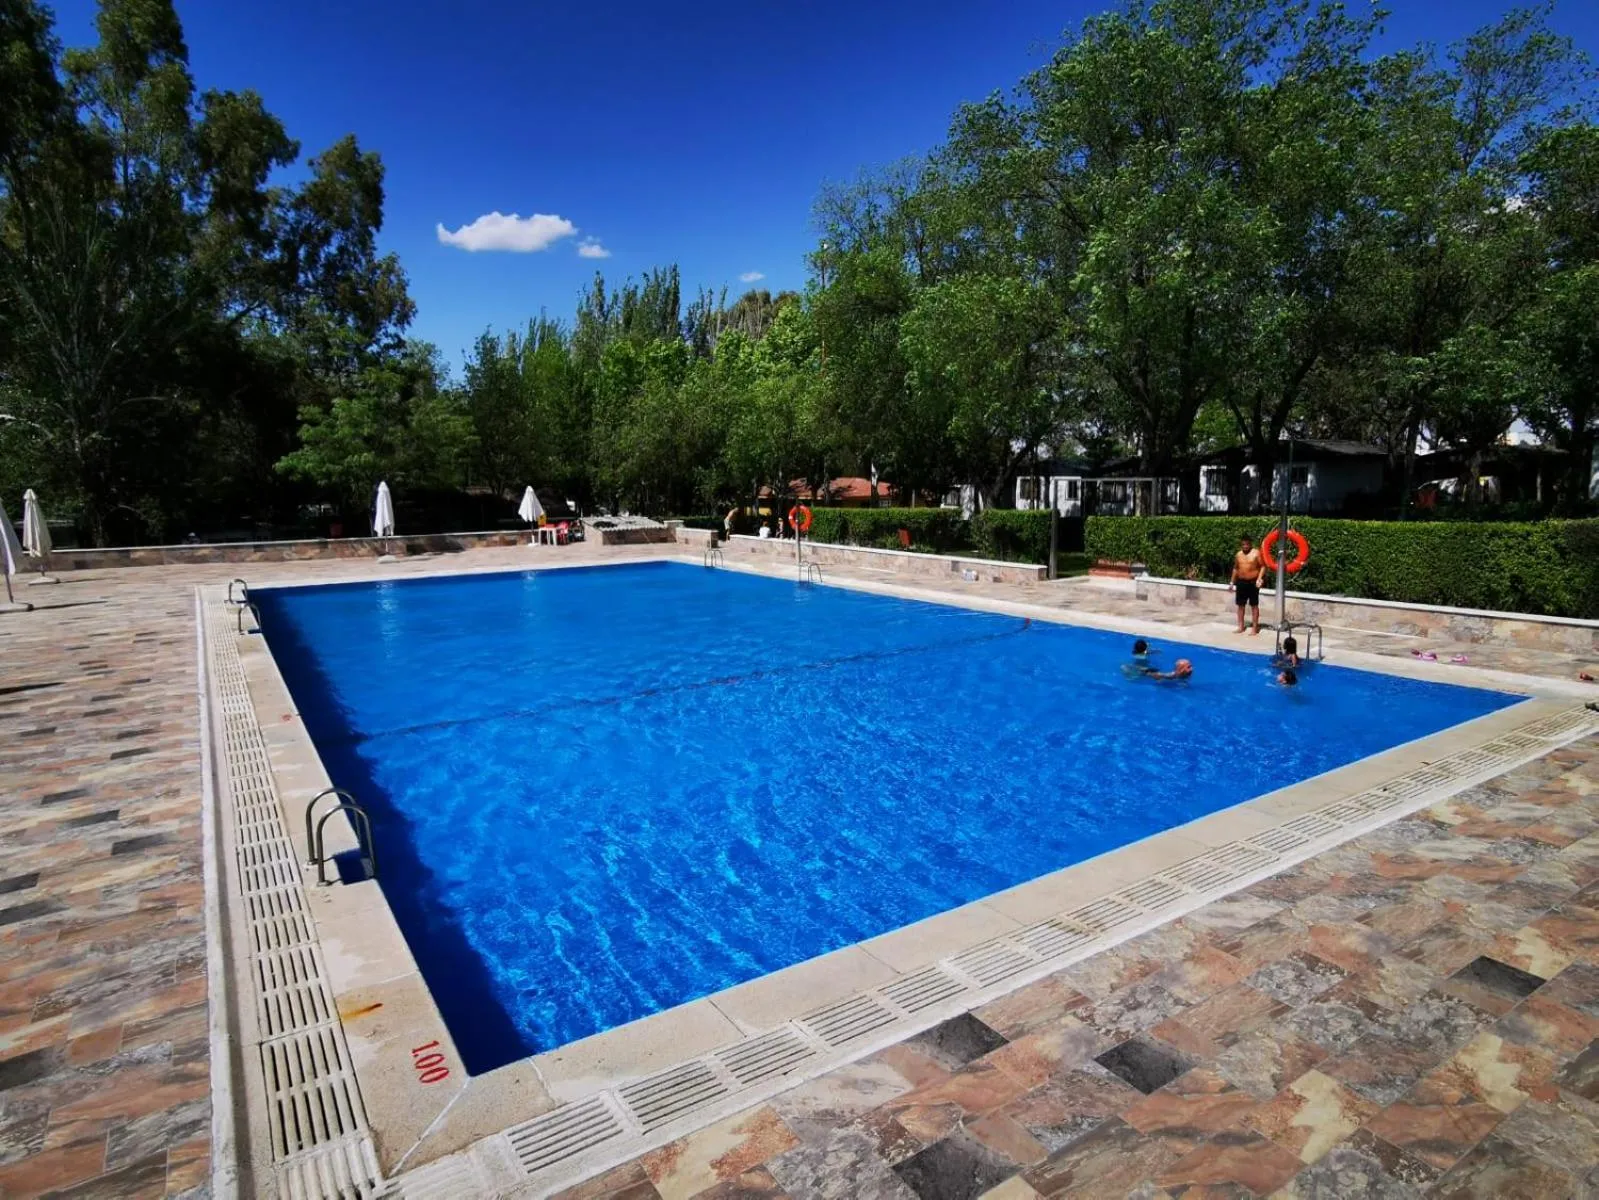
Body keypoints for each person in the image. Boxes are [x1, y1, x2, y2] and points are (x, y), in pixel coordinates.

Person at [1230, 535, 1265, 636]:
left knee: (1254, 605)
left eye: (1247, 544)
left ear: (1250, 544)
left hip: (1253, 582)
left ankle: (1255, 628)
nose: (1245, 546)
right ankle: (1240, 627)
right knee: (1240, 605)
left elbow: (1263, 566)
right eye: (1243, 544)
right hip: (1241, 582)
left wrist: (1259, 578)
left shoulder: (1256, 553)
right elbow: (1235, 568)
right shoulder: (1238, 555)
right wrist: (1232, 582)